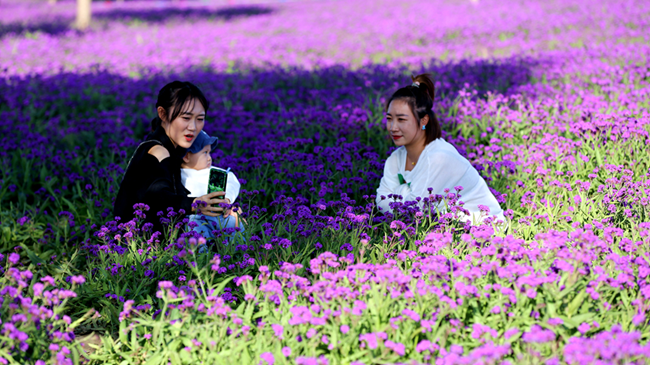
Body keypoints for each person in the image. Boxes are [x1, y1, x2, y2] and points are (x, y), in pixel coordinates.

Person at [376, 74, 505, 225]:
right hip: (442, 227)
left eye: (401, 119)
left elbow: (415, 209)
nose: (393, 127)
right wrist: (407, 195)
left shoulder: (438, 157)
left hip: (482, 228)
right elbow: (381, 201)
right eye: (389, 118)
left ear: (423, 120)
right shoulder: (396, 158)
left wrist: (400, 191)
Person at [113, 81, 228, 234]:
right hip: (140, 245)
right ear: (162, 114)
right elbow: (159, 197)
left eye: (200, 119)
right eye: (186, 118)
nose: (193, 127)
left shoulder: (170, 148)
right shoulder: (158, 151)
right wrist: (196, 204)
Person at [180, 130, 245, 250]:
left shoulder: (213, 171)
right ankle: (201, 256)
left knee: (235, 222)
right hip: (196, 217)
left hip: (221, 215)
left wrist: (227, 199)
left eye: (210, 152)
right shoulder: (177, 175)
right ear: (186, 156)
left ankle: (238, 254)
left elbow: (231, 181)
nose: (209, 158)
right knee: (193, 228)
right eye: (205, 152)